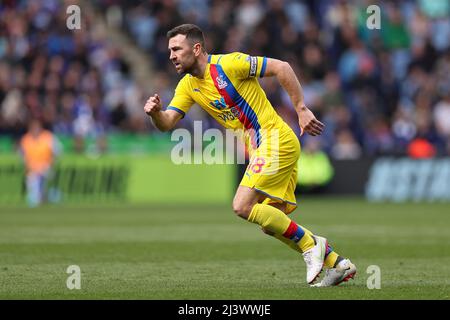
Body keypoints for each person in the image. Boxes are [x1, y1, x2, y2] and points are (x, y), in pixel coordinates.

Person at [144, 24, 356, 286]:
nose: (171, 55)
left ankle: (312, 245)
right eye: (170, 50)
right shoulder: (187, 86)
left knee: (241, 205)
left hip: (276, 139)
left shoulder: (230, 64)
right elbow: (167, 123)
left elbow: (282, 67)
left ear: (196, 48)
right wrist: (155, 113)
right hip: (266, 148)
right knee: (271, 223)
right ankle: (337, 264)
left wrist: (301, 108)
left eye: (176, 49)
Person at [19, 119, 61, 207]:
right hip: (31, 170)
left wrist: (52, 163)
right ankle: (50, 196)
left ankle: (48, 196)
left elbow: (58, 151)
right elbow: (22, 155)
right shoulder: (26, 139)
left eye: (36, 127)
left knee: (37, 180)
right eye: (32, 127)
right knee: (34, 184)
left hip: (46, 167)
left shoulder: (48, 137)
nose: (35, 129)